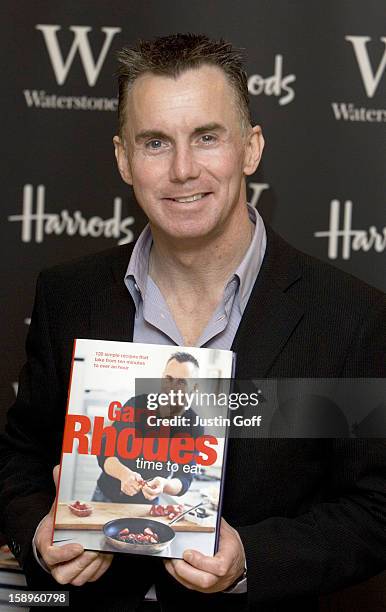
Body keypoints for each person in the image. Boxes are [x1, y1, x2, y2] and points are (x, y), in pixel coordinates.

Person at [0, 33, 385, 612]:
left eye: (207, 137)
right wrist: (38, 536)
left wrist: (251, 558)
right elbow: (20, 457)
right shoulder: (68, 296)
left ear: (251, 149)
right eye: (155, 143)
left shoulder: (349, 316)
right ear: (124, 159)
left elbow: (376, 508)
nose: (183, 170)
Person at [93, 351, 203, 504]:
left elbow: (184, 478)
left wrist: (164, 485)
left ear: (194, 388)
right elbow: (104, 452)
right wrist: (124, 474)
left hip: (146, 505)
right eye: (168, 379)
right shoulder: (136, 405)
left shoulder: (194, 425)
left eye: (182, 382)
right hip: (106, 496)